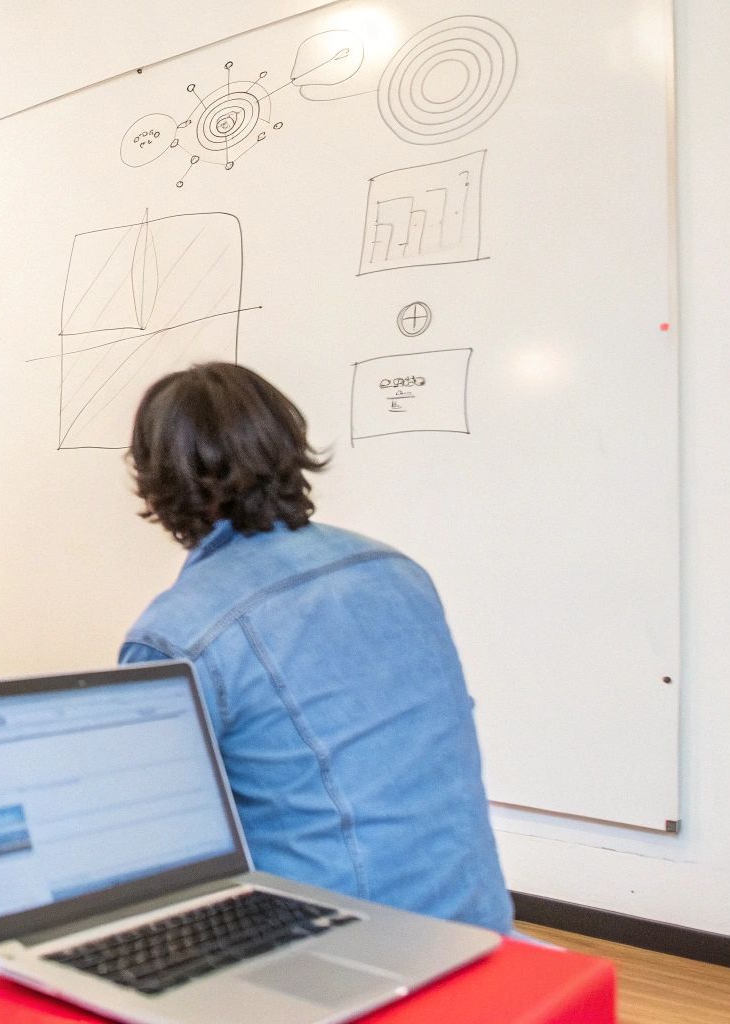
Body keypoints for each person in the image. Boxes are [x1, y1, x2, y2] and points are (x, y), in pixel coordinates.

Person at [119, 362, 514, 933]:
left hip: (345, 952)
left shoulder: (176, 635)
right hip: (479, 923)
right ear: (287, 445)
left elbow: (155, 846)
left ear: (158, 478)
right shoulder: (395, 569)